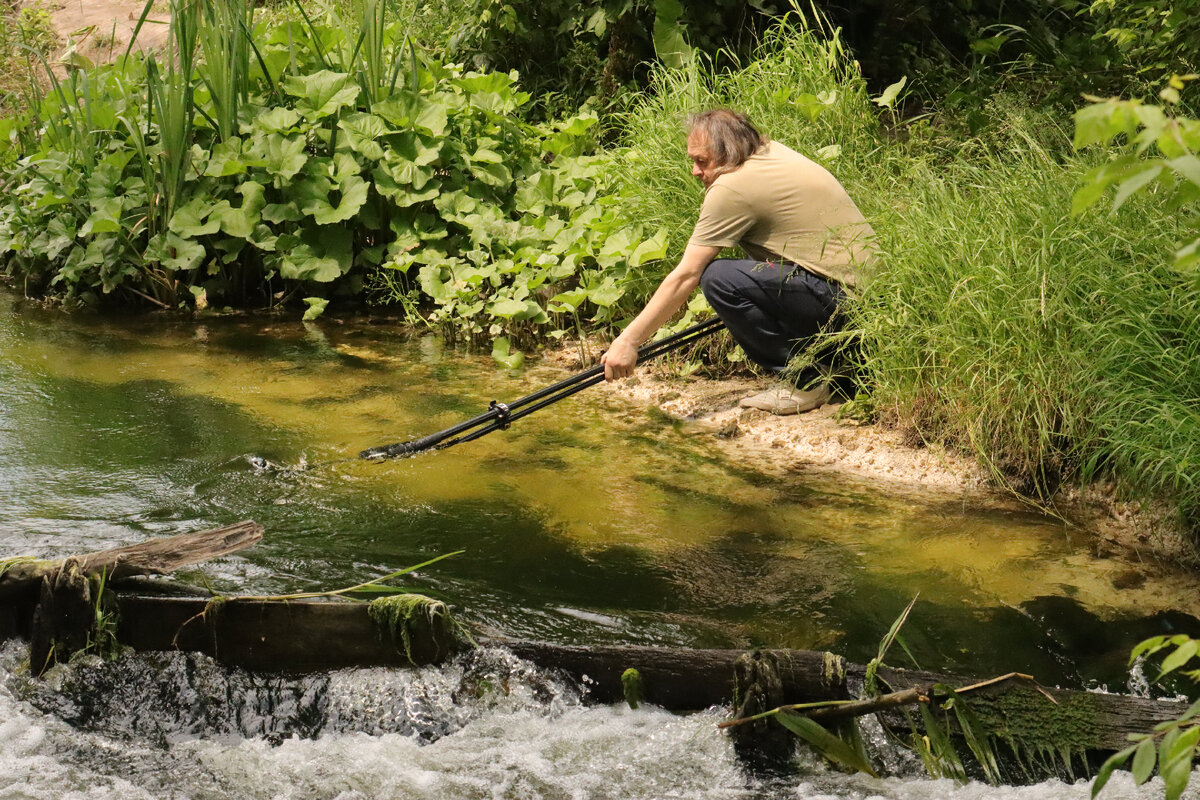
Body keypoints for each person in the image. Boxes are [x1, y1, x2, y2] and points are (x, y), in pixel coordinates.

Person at [601, 109, 875, 415]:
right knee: (745, 270)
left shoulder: (732, 187)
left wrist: (629, 341)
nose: (694, 170)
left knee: (718, 277)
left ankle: (805, 382)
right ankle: (837, 368)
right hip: (867, 306)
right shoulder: (771, 152)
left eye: (701, 161)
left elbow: (686, 275)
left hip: (843, 304)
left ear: (727, 154)